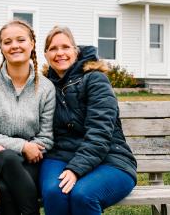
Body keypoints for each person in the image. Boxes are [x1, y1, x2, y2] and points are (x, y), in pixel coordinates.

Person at [39, 25, 137, 215]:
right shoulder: (44, 86)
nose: (60, 53)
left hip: (111, 159)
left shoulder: (95, 80)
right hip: (60, 156)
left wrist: (76, 169)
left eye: (65, 47)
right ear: (45, 54)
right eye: (53, 48)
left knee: (83, 195)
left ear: (76, 51)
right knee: (53, 192)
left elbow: (100, 132)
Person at [0, 19, 56, 215]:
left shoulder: (46, 88)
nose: (14, 46)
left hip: (34, 158)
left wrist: (26, 148)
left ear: (32, 44)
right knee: (8, 158)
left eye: (21, 40)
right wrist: (22, 146)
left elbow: (47, 137)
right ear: (1, 47)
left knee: (4, 188)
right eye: (7, 42)